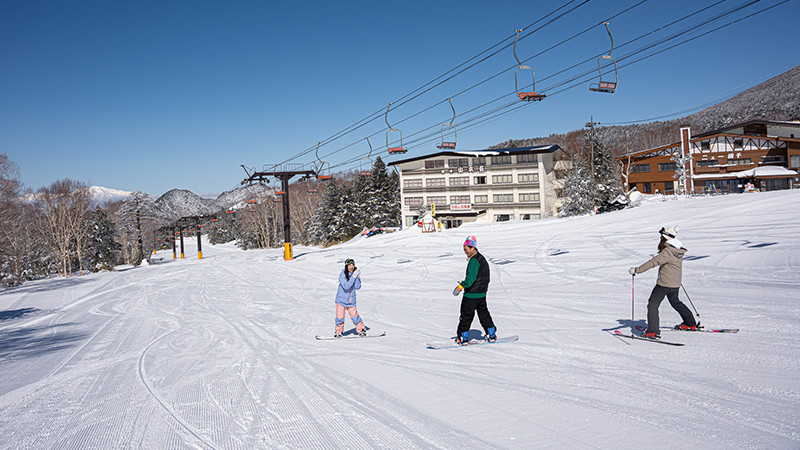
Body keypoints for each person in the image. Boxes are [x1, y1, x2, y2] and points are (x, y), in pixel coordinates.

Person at [628, 226, 697, 339]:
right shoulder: (677, 250)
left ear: (665, 237)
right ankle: (690, 323)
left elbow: (653, 262)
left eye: (661, 237)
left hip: (664, 284)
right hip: (675, 283)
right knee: (676, 302)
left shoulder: (668, 252)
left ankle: (652, 331)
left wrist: (637, 270)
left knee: (653, 305)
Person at [453, 235, 496, 345]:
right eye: (464, 250)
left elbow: (470, 280)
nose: (465, 252)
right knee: (483, 314)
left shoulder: (474, 261)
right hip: (481, 295)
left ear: (473, 248)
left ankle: (463, 337)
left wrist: (461, 286)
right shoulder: (482, 259)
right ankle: (491, 333)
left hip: (471, 295)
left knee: (466, 316)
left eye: (467, 249)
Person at [334, 258, 367, 337]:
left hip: (351, 301)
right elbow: (346, 286)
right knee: (340, 317)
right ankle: (338, 332)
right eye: (349, 265)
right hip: (341, 300)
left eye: (352, 265)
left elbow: (357, 287)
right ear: (346, 266)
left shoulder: (354, 275)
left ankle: (361, 330)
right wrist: (353, 277)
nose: (351, 267)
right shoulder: (342, 275)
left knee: (355, 316)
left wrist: (357, 277)